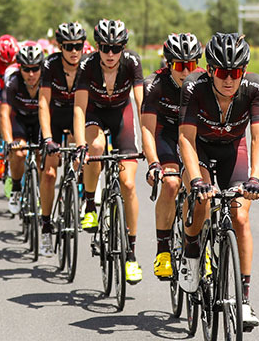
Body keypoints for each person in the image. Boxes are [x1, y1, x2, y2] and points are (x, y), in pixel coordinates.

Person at [178, 32, 259, 329]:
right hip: (199, 148)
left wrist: (255, 178)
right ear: (209, 70)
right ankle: (192, 256)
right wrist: (195, 180)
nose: (229, 79)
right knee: (202, 202)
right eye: (221, 72)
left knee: (240, 217)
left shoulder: (255, 88)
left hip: (233, 149)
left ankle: (244, 300)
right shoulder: (194, 86)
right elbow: (185, 138)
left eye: (236, 72)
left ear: (244, 71)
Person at [73, 19, 144, 284]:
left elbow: (142, 106)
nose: (110, 54)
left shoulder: (132, 62)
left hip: (121, 115)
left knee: (128, 183)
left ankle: (131, 254)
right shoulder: (87, 65)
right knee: (96, 147)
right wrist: (80, 145)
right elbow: (79, 108)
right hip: (95, 114)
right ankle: (90, 203)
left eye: (116, 48)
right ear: (97, 47)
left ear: (123, 48)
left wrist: (150, 148)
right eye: (105, 48)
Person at [140, 33, 203, 279]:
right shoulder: (154, 84)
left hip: (194, 137)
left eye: (191, 64)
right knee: (171, 183)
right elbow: (147, 128)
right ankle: (163, 251)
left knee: (201, 188)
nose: (186, 71)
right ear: (168, 64)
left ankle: (199, 244)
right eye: (179, 65)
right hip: (165, 135)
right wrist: (153, 163)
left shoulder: (204, 82)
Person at [39, 22, 85, 245]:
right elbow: (43, 103)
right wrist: (48, 138)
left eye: (78, 46)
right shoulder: (50, 65)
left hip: (79, 117)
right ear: (60, 47)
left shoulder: (88, 65)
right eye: (68, 46)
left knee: (84, 158)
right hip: (55, 117)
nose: (74, 51)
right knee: (49, 173)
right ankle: (46, 223)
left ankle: (82, 194)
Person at [1, 44, 48, 251]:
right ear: (19, 68)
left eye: (35, 68)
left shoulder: (47, 80)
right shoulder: (13, 82)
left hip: (39, 122)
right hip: (19, 121)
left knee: (42, 155)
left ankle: (41, 194)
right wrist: (8, 141)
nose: (31, 74)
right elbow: (4, 114)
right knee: (18, 153)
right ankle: (16, 188)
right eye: (26, 69)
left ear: (41, 68)